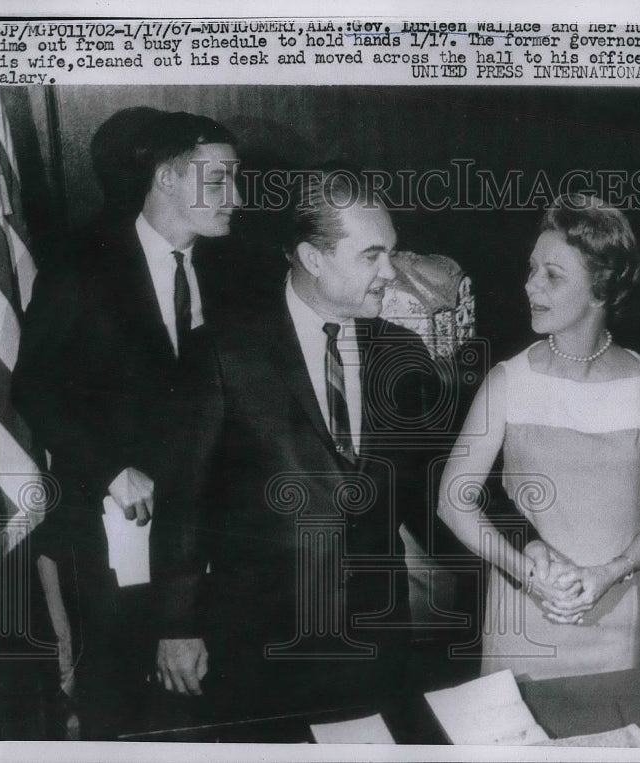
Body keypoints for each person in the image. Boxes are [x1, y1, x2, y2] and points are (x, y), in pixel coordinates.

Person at [151, 169, 439, 727]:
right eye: (372, 256)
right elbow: (183, 500)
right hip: (260, 641)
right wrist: (176, 626)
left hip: (378, 638)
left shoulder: (403, 353)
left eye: (391, 253)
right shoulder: (223, 353)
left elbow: (432, 491)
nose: (391, 273)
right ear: (312, 258)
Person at [12, 110, 242, 737]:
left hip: (211, 536)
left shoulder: (239, 268)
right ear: (166, 178)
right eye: (218, 180)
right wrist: (110, 468)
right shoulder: (82, 263)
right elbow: (34, 386)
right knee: (118, 700)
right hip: (112, 528)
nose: (237, 198)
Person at [437, 193, 640, 681]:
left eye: (552, 275)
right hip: (524, 618)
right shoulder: (508, 381)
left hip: (615, 619)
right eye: (533, 269)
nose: (531, 285)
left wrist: (612, 571)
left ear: (601, 289)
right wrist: (528, 576)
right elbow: (453, 500)